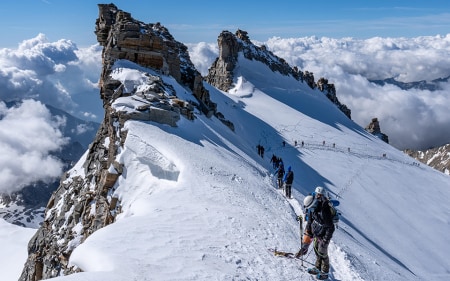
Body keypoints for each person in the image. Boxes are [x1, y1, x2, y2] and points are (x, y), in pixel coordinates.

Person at [297, 187, 335, 280]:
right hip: (317, 232)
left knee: (323, 252)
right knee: (316, 250)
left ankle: (325, 272)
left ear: (314, 204)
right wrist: (309, 231)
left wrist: (325, 239)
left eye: (311, 208)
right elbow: (310, 221)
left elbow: (330, 227)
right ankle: (317, 268)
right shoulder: (312, 209)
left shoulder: (324, 211)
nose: (310, 209)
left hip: (324, 234)